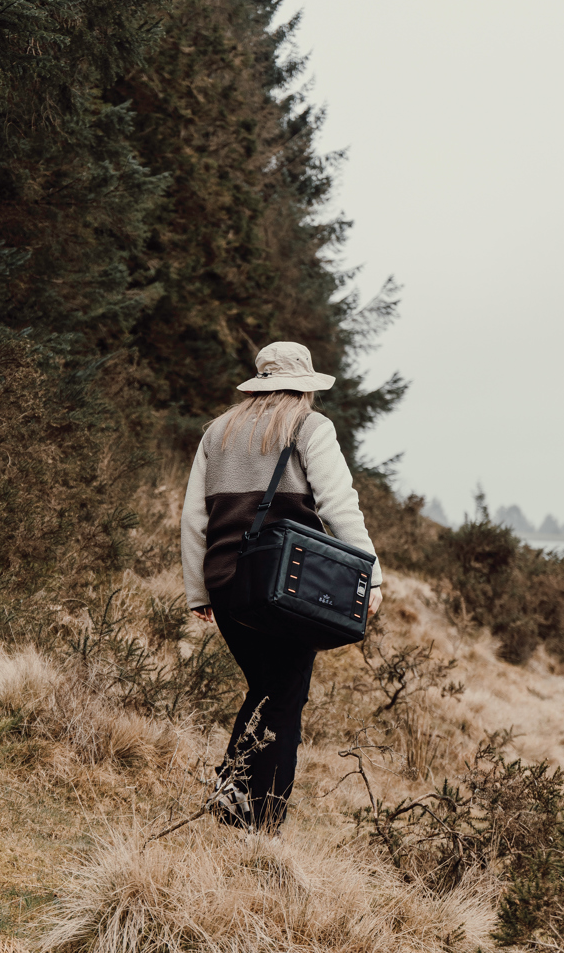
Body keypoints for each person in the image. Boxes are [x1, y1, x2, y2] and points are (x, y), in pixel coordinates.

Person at [181, 340, 383, 833]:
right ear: (304, 385)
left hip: (228, 587)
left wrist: (199, 591)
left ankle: (233, 797)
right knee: (284, 697)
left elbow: (194, 517)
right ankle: (262, 823)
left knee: (269, 689)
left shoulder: (217, 432)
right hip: (285, 586)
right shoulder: (310, 426)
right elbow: (339, 504)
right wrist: (372, 576)